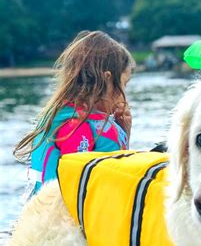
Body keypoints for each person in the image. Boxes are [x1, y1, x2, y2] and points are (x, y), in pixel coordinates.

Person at [14, 30, 135, 196]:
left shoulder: (77, 117)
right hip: (60, 220)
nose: (124, 96)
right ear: (107, 80)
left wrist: (123, 131)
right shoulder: (76, 125)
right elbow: (75, 191)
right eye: (124, 85)